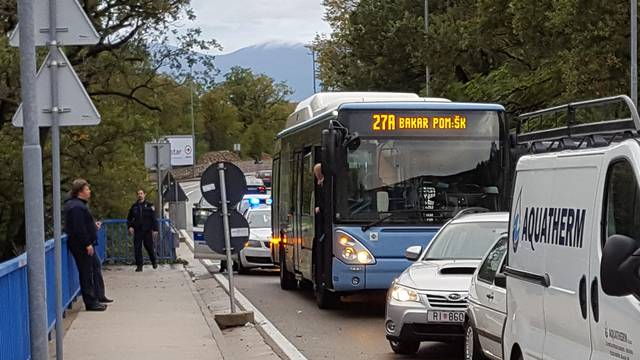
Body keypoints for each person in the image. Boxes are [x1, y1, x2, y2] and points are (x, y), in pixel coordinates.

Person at [63, 179, 112, 311]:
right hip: (81, 245)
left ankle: (98, 296)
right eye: (87, 189)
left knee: (94, 266)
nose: (89, 192)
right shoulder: (76, 207)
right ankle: (90, 302)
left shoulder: (78, 205)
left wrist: (93, 226)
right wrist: (87, 243)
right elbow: (79, 228)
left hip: (83, 243)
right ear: (80, 192)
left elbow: (83, 224)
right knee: (86, 272)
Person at [127, 189, 158, 272]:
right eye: (138, 194)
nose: (140, 195)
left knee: (149, 247)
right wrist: (130, 227)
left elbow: (153, 218)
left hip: (147, 230)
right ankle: (139, 265)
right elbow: (129, 218)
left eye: (141, 193)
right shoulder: (134, 206)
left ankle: (154, 261)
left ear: (144, 195)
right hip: (138, 230)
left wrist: (155, 229)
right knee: (137, 248)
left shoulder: (149, 206)